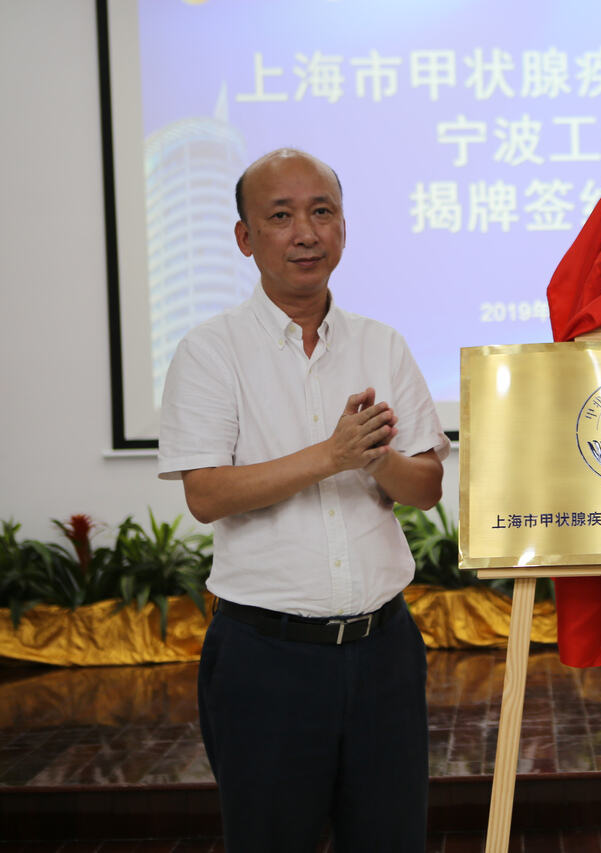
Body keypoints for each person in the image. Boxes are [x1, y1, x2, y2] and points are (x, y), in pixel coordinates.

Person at [158, 148, 449, 852]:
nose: (307, 233)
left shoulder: (382, 344)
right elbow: (205, 494)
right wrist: (331, 455)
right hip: (266, 661)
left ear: (343, 226)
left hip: (383, 652)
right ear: (245, 237)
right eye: (282, 216)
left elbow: (426, 486)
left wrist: (376, 457)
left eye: (322, 211)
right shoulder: (210, 350)